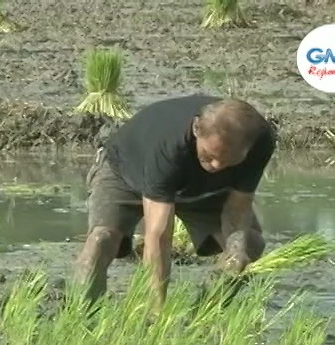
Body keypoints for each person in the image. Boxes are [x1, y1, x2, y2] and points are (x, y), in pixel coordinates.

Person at [73, 93, 276, 311]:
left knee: (250, 243)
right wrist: (157, 310)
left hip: (200, 188)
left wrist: (236, 251)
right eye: (209, 155)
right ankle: (81, 315)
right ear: (197, 129)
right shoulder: (168, 146)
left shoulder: (260, 141)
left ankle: (203, 311)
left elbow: (237, 209)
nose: (216, 165)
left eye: (229, 160)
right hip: (125, 172)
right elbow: (158, 235)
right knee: (101, 240)